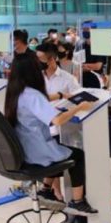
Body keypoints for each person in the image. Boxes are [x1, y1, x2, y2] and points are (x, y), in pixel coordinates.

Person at [4, 53, 97, 214]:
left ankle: (46, 189)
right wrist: (79, 107)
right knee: (77, 155)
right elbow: (57, 120)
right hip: (36, 151)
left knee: (59, 149)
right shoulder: (33, 95)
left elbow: (39, 102)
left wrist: (61, 95)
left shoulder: (16, 91)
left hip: (24, 148)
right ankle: (78, 201)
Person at [36, 42, 81, 203]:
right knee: (56, 156)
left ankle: (50, 191)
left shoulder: (68, 79)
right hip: (41, 129)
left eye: (41, 59)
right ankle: (56, 193)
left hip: (62, 128)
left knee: (63, 155)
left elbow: (77, 100)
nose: (37, 62)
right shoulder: (36, 79)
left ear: (52, 59)